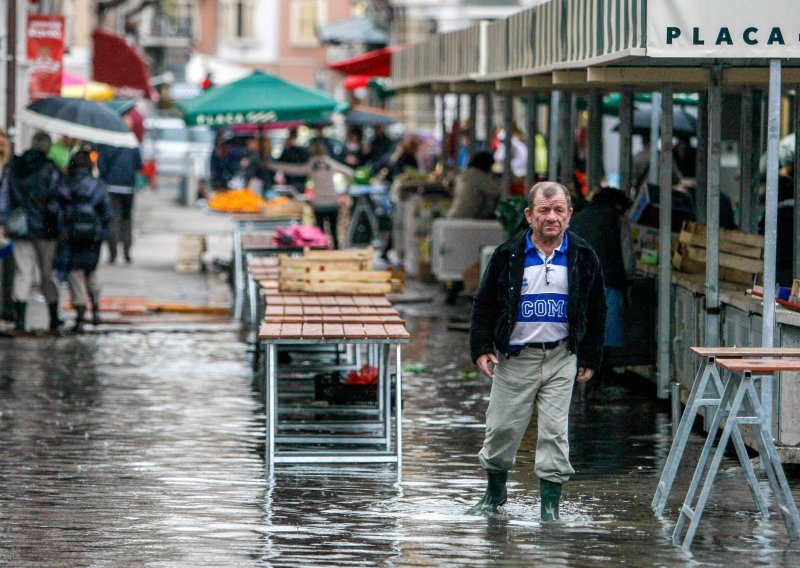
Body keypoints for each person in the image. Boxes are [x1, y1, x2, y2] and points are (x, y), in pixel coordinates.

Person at [468, 181, 607, 519]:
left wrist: (589, 356)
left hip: (562, 357)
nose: (552, 217)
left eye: (559, 210)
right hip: (516, 358)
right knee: (501, 428)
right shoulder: (508, 254)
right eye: (544, 210)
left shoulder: (583, 255)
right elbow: (484, 303)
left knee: (555, 433)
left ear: (570, 215)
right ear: (529, 215)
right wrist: (482, 347)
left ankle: (549, 508)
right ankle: (495, 493)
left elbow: (598, 307)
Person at [569, 187, 634, 387]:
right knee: (604, 338)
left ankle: (582, 384)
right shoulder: (617, 219)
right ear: (617, 205)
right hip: (607, 282)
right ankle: (597, 383)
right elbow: (627, 254)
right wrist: (629, 279)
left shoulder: (576, 218)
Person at [0, 132, 64, 334]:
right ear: (47, 147)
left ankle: (20, 321)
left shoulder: (15, 167)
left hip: (20, 227)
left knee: (22, 272)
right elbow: (57, 199)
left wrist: (4, 220)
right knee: (47, 274)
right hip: (46, 229)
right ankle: (53, 318)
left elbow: (4, 195)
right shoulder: (50, 168)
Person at [55, 150, 113, 332]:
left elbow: (57, 209)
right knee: (91, 270)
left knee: (75, 273)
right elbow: (108, 213)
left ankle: (80, 314)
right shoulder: (98, 185)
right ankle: (95, 308)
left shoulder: (65, 183)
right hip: (92, 237)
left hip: (71, 236)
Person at [270, 140, 353, 249]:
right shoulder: (330, 162)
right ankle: (337, 252)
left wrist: (273, 165)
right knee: (334, 231)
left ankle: (322, 253)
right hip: (333, 201)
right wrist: (344, 191)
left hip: (318, 203)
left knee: (319, 232)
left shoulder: (312, 164)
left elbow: (294, 170)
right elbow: (350, 173)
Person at [96, 143, 143, 263]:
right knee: (127, 219)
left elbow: (101, 165)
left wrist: (105, 178)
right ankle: (127, 251)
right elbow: (139, 165)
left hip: (111, 187)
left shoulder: (106, 143)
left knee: (113, 219)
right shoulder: (132, 143)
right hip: (128, 188)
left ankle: (113, 253)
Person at [758, 175, 795, 286]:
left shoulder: (772, 215)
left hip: (775, 268)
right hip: (794, 268)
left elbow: (761, 236)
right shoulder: (795, 214)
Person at [447, 151, 500, 220]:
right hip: (466, 218)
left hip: (452, 216)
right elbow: (496, 193)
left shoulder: (464, 174)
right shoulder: (478, 175)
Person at [0, 128, 13, 323]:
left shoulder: (9, 167)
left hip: (6, 224)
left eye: (3, 137)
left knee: (9, 267)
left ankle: (7, 309)